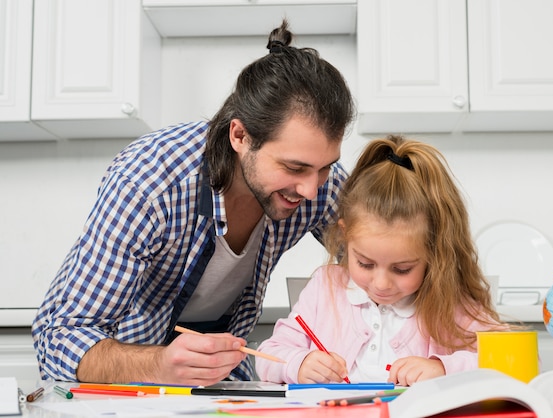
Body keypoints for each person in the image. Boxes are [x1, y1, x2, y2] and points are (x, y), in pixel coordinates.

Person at [31, 20, 355, 384]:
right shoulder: (149, 183)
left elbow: (390, 255)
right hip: (127, 383)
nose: (312, 190)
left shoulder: (316, 182)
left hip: (224, 378)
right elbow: (58, 339)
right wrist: (159, 365)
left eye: (325, 168)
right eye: (294, 168)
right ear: (240, 136)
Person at [255, 135, 505, 386]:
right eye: (365, 263)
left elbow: (511, 360)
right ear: (345, 236)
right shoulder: (325, 287)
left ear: (434, 252)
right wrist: (299, 364)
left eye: (402, 269)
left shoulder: (446, 297)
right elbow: (268, 355)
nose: (382, 283)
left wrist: (443, 368)